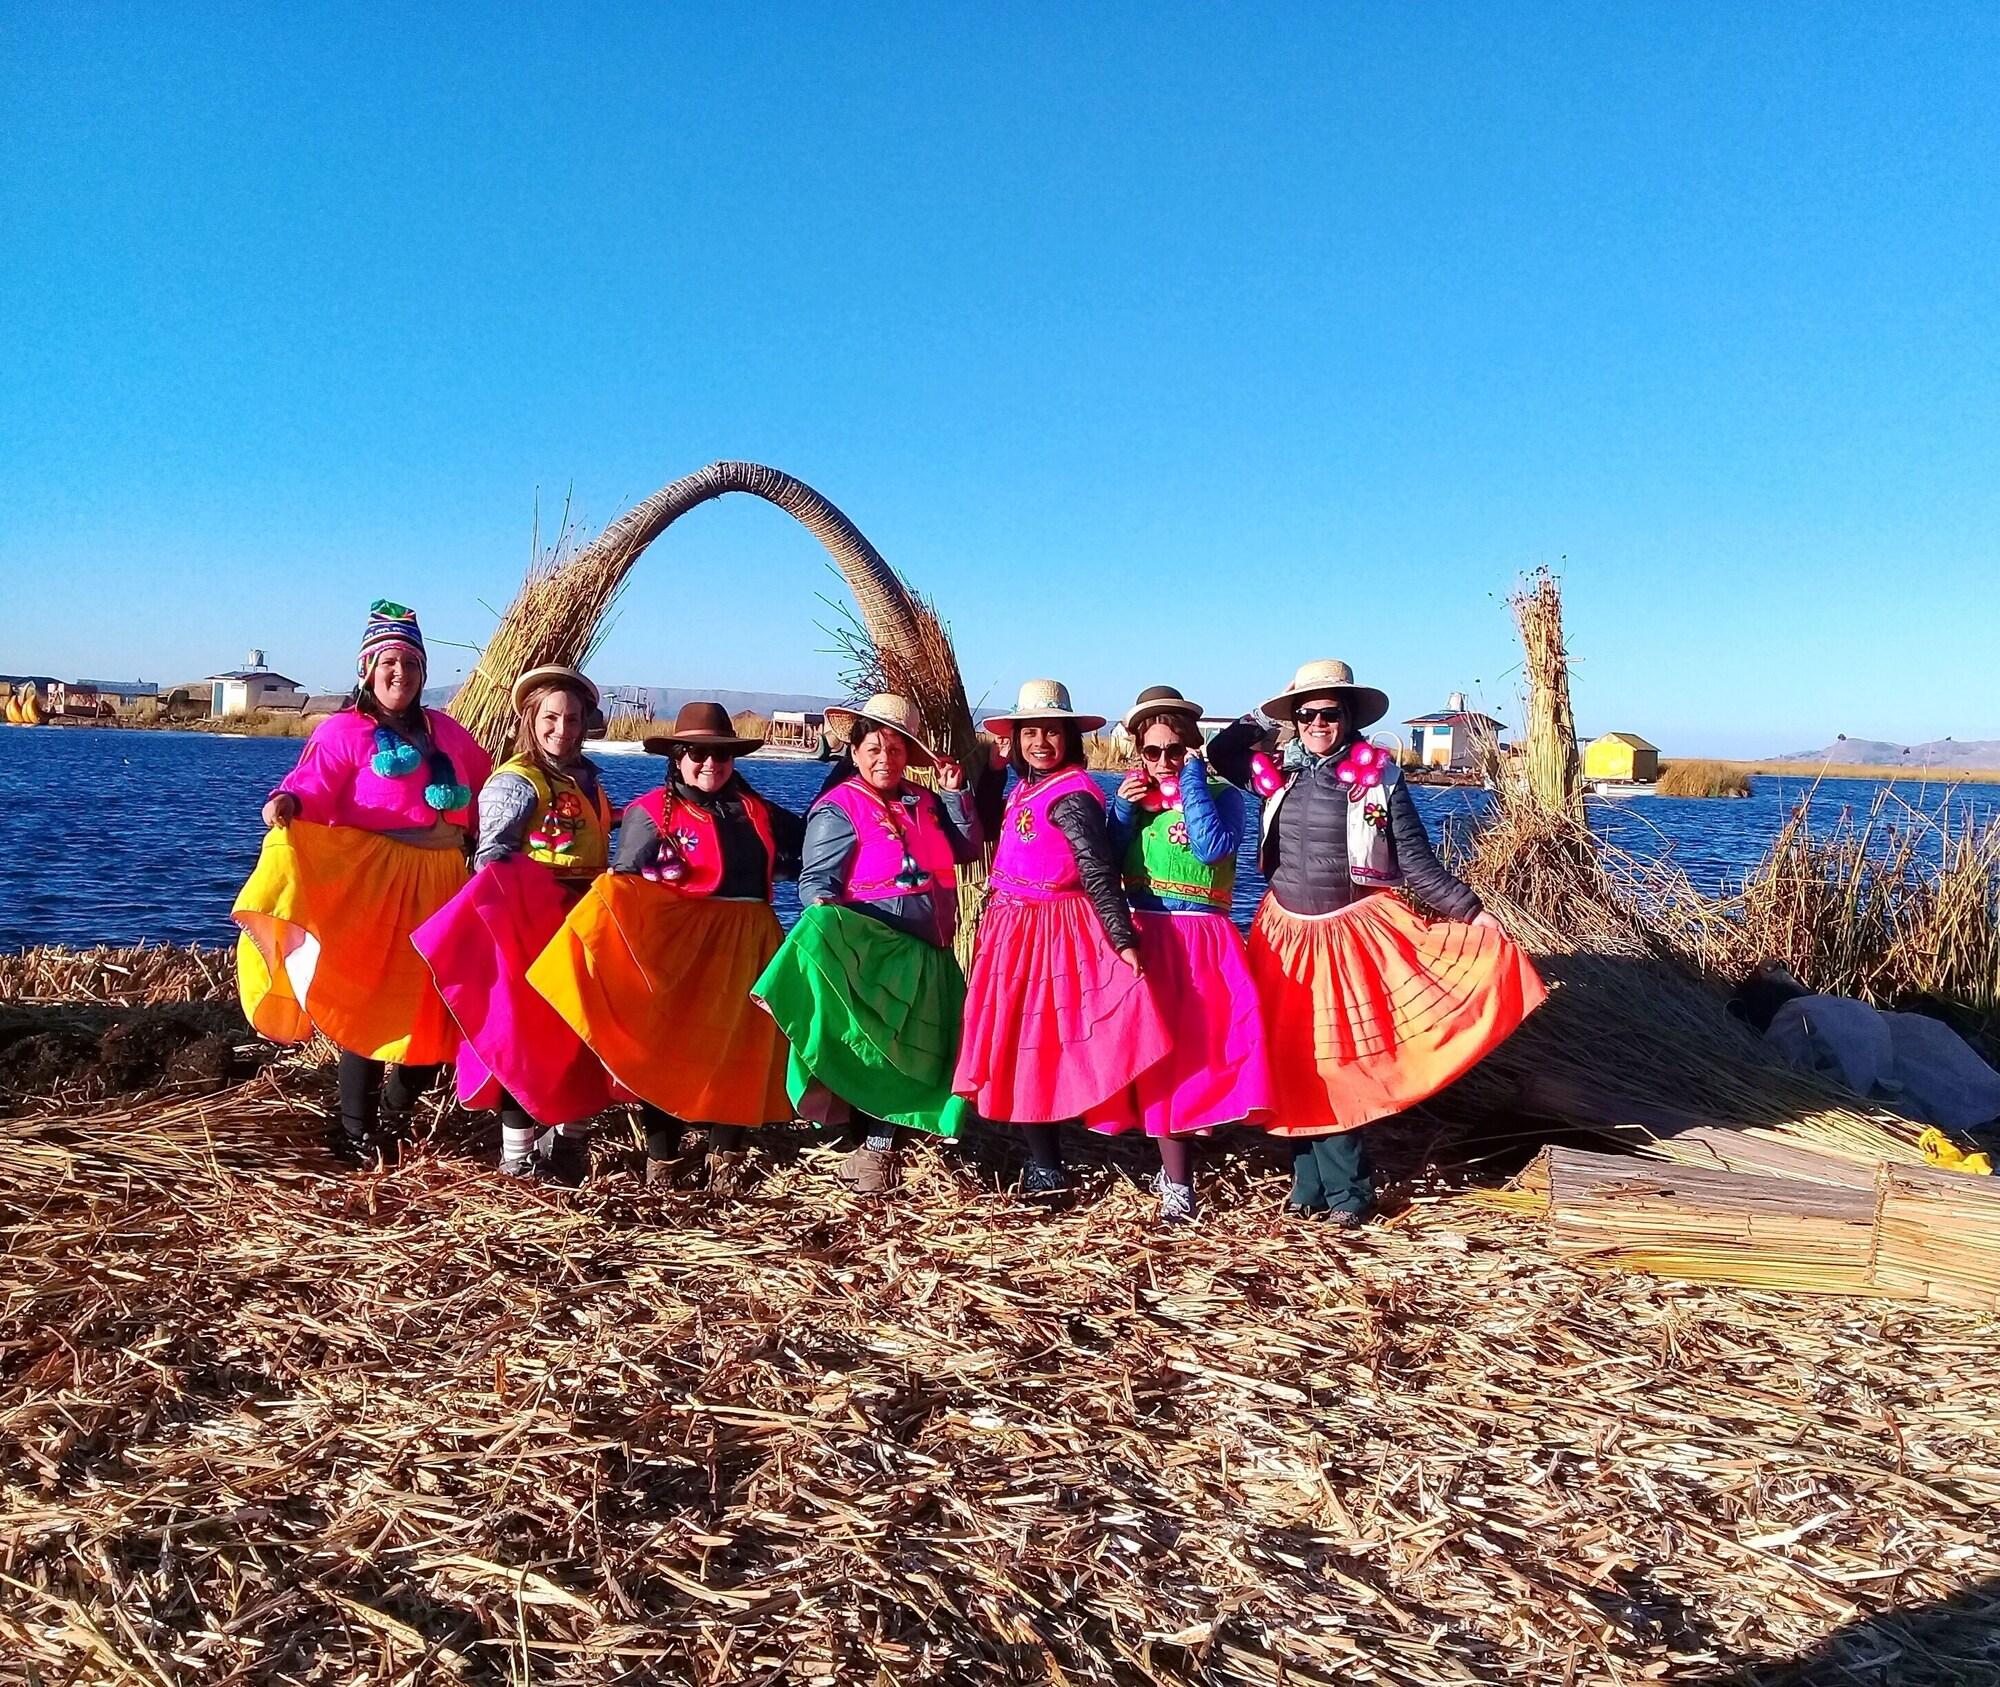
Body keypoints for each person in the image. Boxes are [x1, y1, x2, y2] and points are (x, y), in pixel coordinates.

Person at [1209, 659, 1546, 1223]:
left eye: (1329, 713)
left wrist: (1472, 912)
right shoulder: (1278, 773)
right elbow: (1222, 751)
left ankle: (1350, 1194)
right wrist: (1272, 708)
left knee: (1339, 1064)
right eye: (1306, 713)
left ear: (1349, 717)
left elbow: (1415, 860)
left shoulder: (1380, 778)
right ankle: (1308, 1188)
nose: (1318, 723)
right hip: (1283, 935)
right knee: (1294, 1061)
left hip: (1349, 935)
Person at [233, 601, 492, 1164]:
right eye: (389, 662)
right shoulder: (343, 732)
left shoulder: (449, 732)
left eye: (411, 664)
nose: (400, 673)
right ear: (368, 670)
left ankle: (398, 1111)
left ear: (424, 673)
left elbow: (490, 790)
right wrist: (287, 803)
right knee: (372, 1007)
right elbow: (312, 786)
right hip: (376, 883)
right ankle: (354, 1131)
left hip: (445, 882)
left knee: (439, 1006)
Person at [529, 701, 805, 1191]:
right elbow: (624, 885)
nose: (709, 765)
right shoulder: (650, 811)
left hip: (750, 945)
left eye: (721, 756)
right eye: (696, 753)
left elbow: (813, 843)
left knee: (740, 1049)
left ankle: (728, 1158)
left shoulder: (759, 810)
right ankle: (664, 1160)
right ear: (677, 756)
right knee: (668, 1048)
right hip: (679, 950)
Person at [752, 694, 983, 1193]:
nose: (886, 759)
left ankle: (889, 1141)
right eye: (874, 747)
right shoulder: (838, 808)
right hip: (878, 949)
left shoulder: (923, 801)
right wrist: (828, 928)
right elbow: (817, 883)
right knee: (876, 1047)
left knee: (918, 1051)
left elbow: (966, 850)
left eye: (897, 749)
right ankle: (870, 1148)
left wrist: (955, 798)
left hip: (931, 951)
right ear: (854, 752)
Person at [952, 679, 1171, 1194]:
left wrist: (1121, 939)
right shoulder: (1025, 787)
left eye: (1051, 733)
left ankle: (1048, 1162)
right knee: (1015, 1037)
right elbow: (986, 830)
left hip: (1049, 932)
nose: (1040, 743)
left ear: (1069, 739)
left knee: (1037, 1042)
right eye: (1031, 732)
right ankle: (1039, 1152)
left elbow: (1097, 870)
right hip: (1011, 925)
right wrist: (994, 771)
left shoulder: (1072, 796)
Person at [412, 665, 616, 1184]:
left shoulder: (587, 780)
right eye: (551, 717)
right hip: (531, 928)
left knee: (582, 1036)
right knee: (524, 1038)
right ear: (531, 718)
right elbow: (491, 860)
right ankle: (518, 1160)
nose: (562, 728)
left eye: (572, 718)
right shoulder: (515, 781)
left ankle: (570, 1146)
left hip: (581, 924)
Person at [1096, 685, 1272, 1223]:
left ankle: (1179, 1180)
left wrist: (1192, 777)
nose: (1164, 761)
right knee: (1154, 1054)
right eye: (1152, 752)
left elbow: (1210, 846)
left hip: (1201, 943)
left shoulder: (1225, 795)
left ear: (1192, 746)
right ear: (1137, 753)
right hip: (1147, 936)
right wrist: (1122, 815)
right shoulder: (1132, 798)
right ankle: (1172, 1168)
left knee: (1195, 1055)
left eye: (1175, 749)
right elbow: (1101, 862)